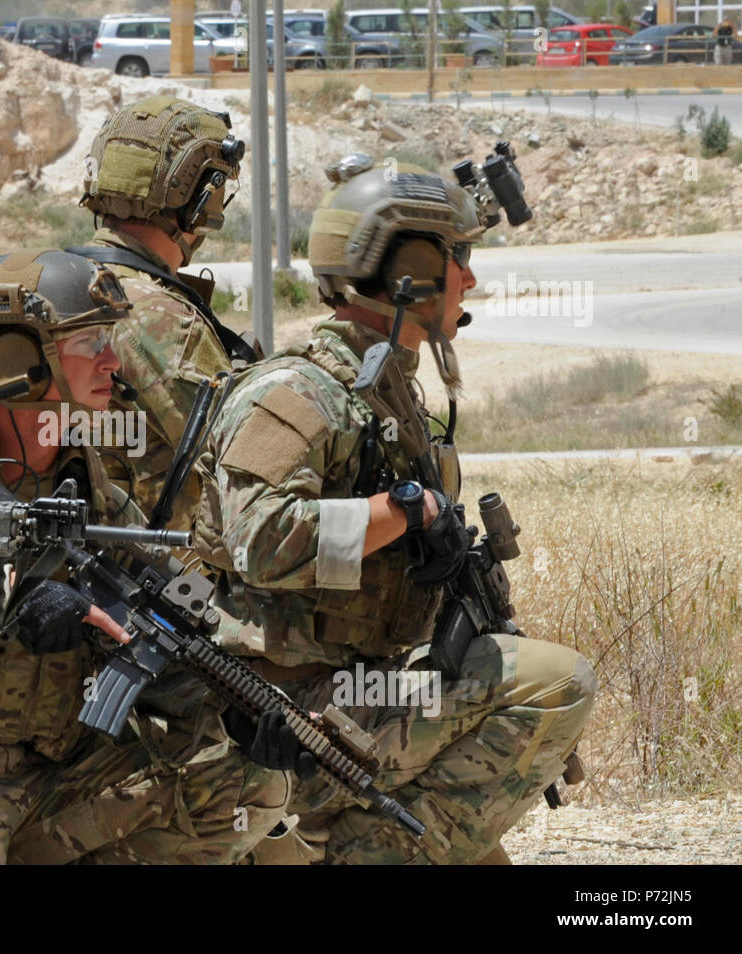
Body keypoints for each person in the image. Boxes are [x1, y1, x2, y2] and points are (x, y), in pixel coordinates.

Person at [191, 156, 596, 864]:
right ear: (409, 269)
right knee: (558, 682)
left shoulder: (388, 390)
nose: (470, 279)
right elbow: (259, 538)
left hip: (360, 678)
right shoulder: (297, 391)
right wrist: (404, 509)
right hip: (286, 708)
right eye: (458, 258)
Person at [0, 248, 288, 864]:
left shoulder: (87, 485)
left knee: (248, 787)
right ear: (21, 361)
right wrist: (12, 597)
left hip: (60, 766)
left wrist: (250, 692)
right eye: (91, 340)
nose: (113, 360)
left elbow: (172, 597)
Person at [72, 95, 258, 529]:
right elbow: (242, 467)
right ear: (199, 201)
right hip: (152, 581)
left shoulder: (50, 281)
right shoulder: (158, 317)